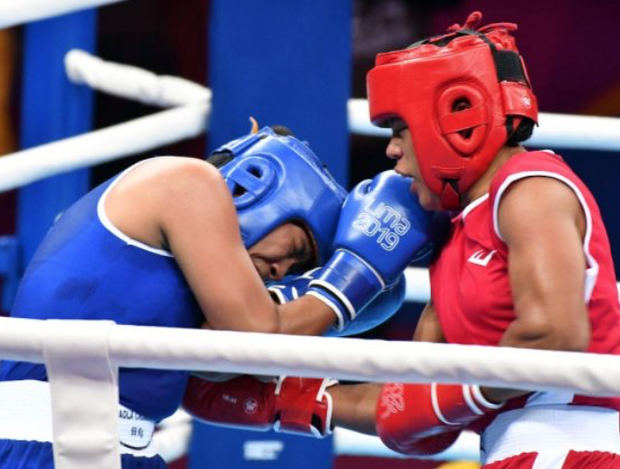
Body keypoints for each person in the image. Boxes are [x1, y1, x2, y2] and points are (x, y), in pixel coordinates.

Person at [185, 12, 620, 469]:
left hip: (576, 446)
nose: (391, 150)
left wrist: (460, 395)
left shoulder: (530, 189)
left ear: (458, 117)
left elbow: (557, 336)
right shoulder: (455, 237)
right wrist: (293, 401)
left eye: (398, 130)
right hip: (519, 451)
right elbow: (413, 402)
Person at [0, 124, 431, 468]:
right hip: (54, 442)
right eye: (296, 251)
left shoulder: (189, 292)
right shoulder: (186, 182)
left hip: (114, 447)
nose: (281, 272)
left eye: (297, 271)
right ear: (256, 186)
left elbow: (224, 368)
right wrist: (349, 282)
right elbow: (255, 339)